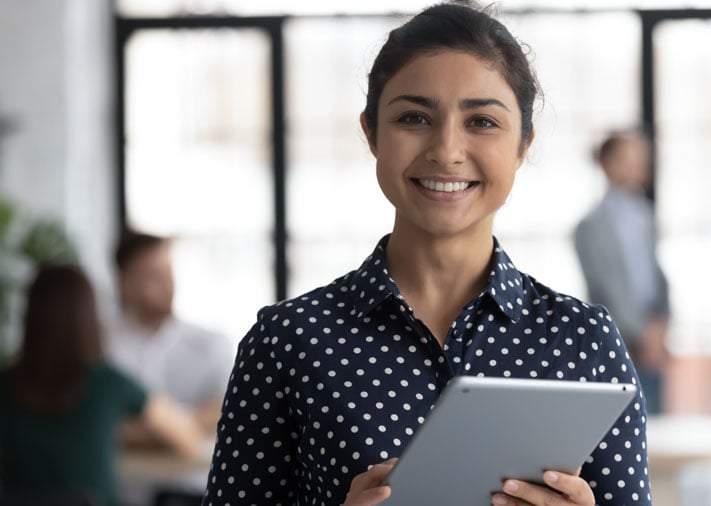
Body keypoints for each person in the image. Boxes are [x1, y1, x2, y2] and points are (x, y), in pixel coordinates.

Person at [203, 4, 651, 506]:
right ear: (371, 132)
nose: (447, 149)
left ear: (523, 143)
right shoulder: (287, 342)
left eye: (482, 121)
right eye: (414, 117)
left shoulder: (584, 341)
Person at [0, 264, 202, 506]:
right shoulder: (107, 383)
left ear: (29, 315)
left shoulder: (5, 384)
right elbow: (186, 436)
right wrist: (115, 433)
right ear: (89, 316)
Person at [573, 131, 670, 414]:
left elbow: (657, 275)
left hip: (653, 335)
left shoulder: (646, 216)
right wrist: (639, 334)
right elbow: (603, 288)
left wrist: (660, 326)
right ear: (607, 163)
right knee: (620, 423)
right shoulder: (589, 226)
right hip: (616, 337)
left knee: (655, 424)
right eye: (630, 158)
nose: (640, 165)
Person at [106, 232, 234, 438]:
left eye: (169, 274)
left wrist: (160, 428)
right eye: (154, 276)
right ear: (124, 284)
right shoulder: (101, 347)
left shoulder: (210, 345)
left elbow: (228, 407)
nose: (168, 286)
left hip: (191, 469)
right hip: (125, 470)